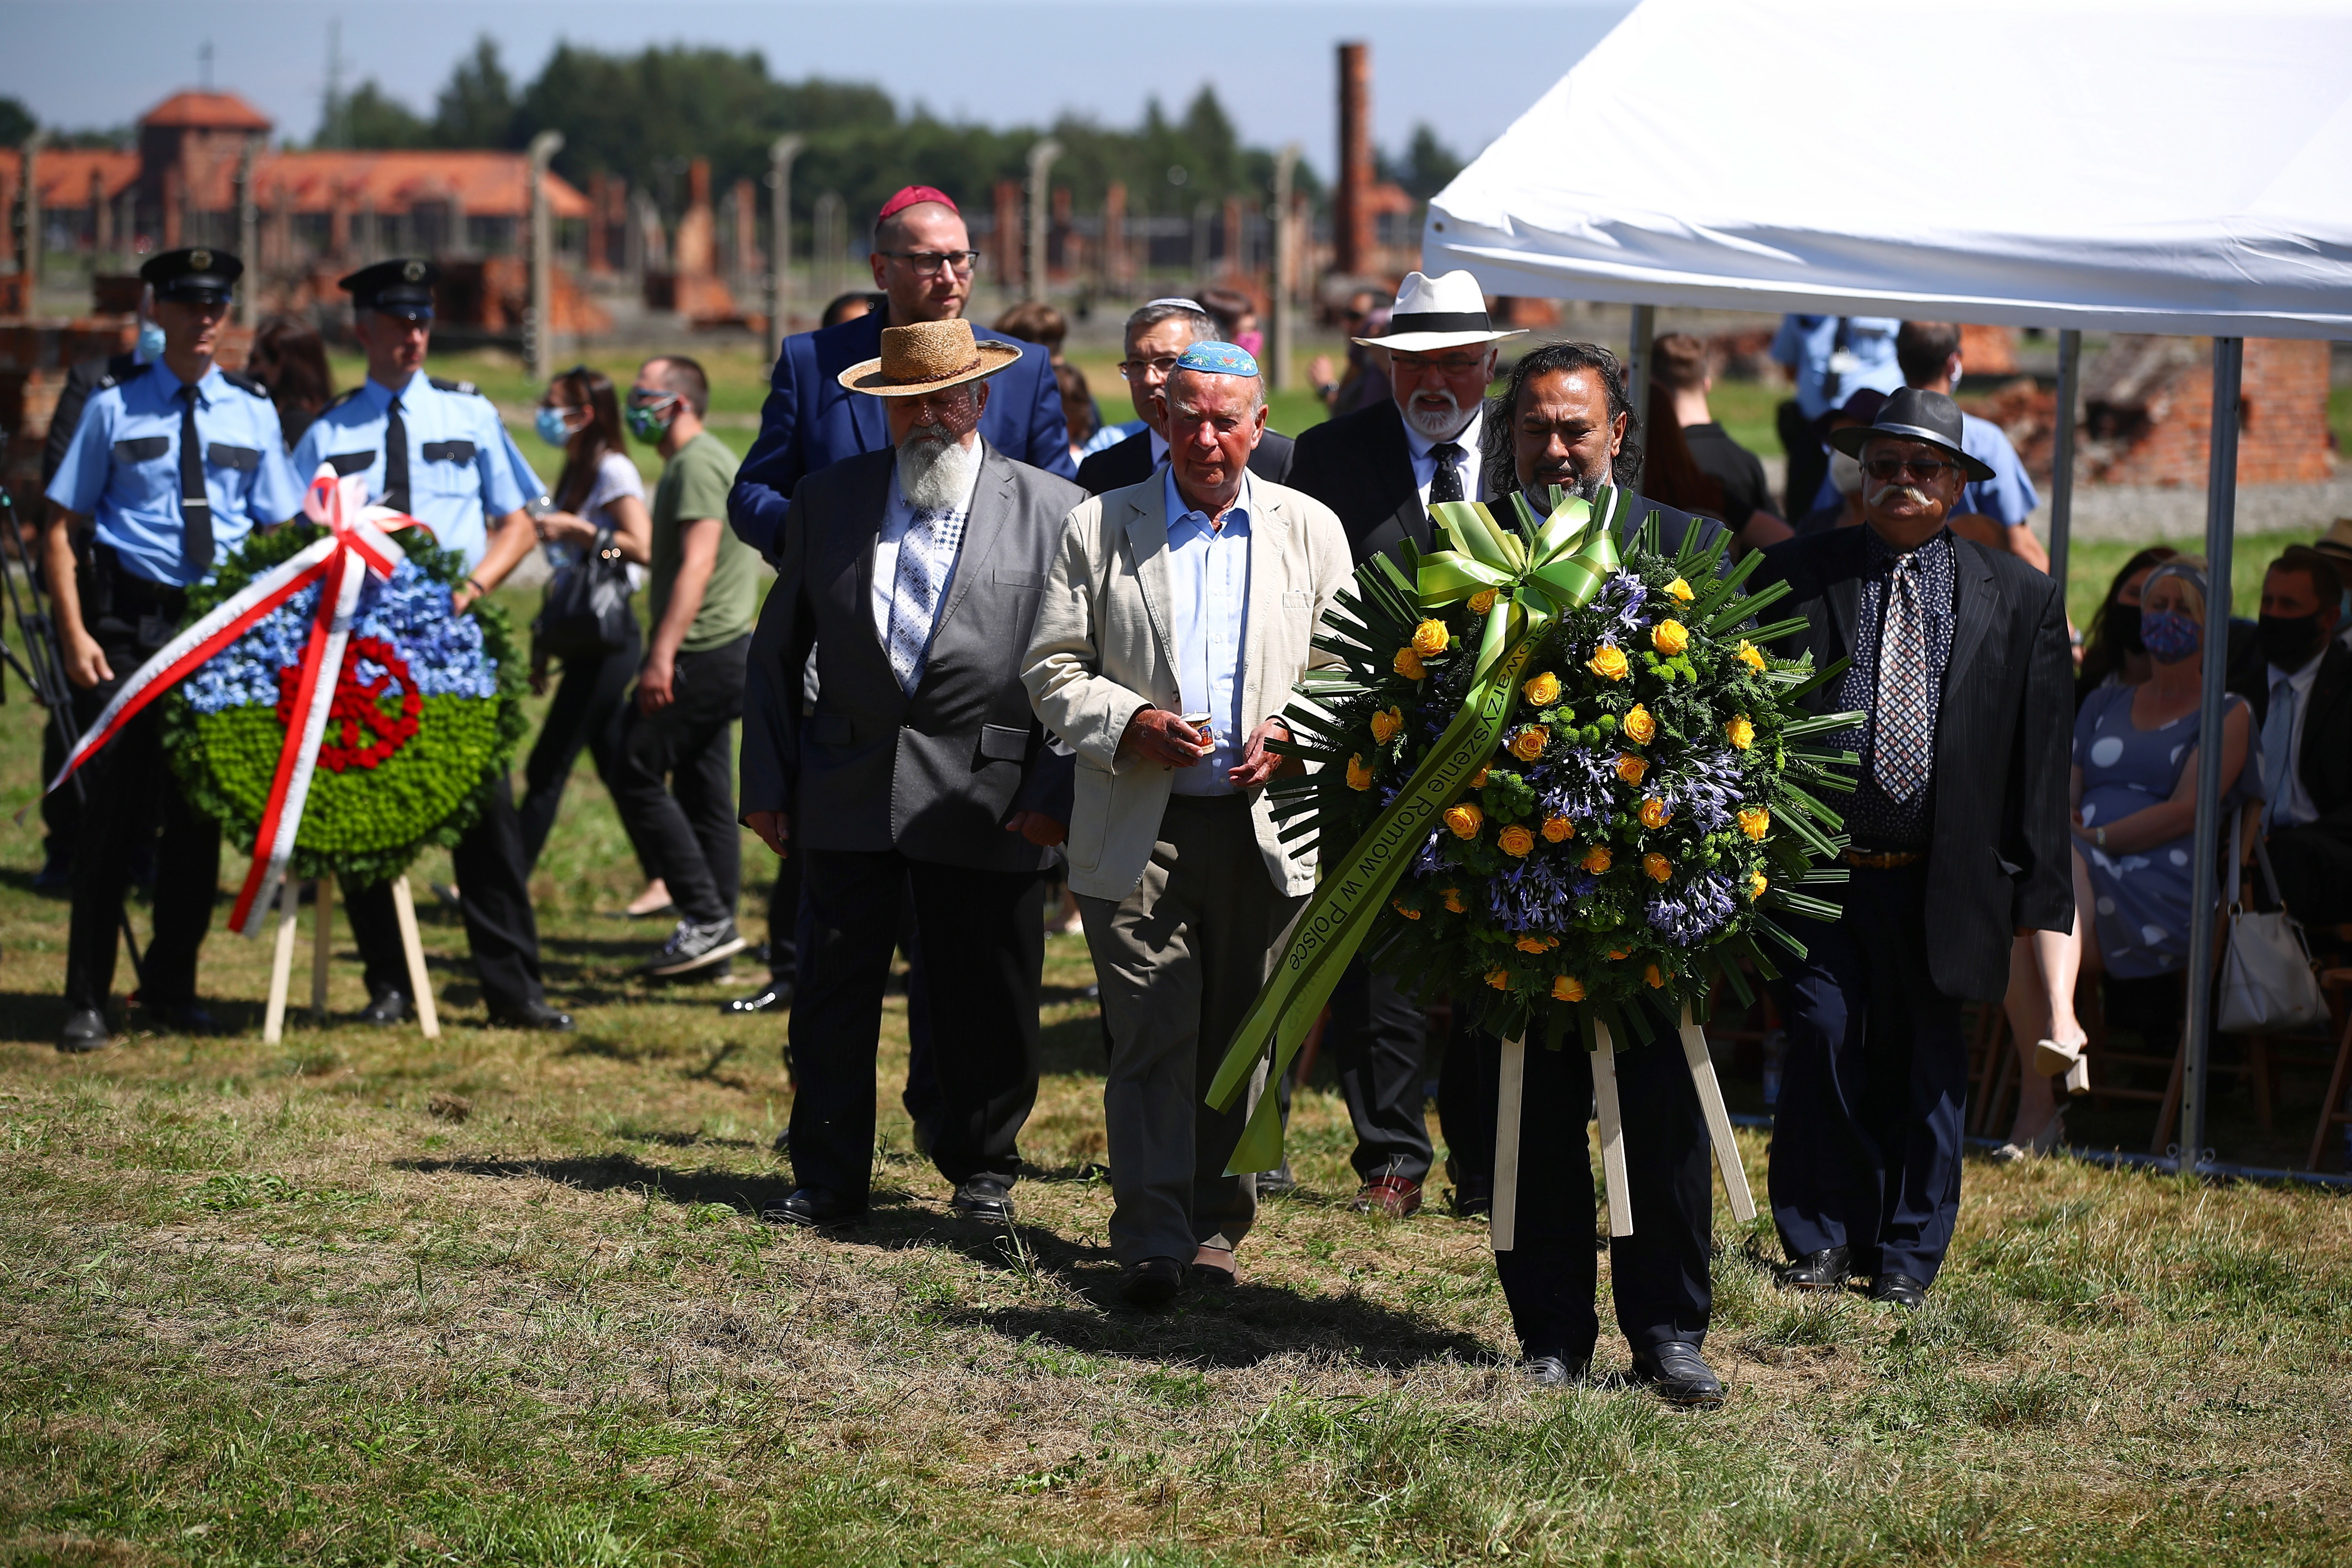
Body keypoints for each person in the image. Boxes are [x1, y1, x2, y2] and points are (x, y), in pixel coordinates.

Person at [1023, 340, 1351, 1308]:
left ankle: (1219, 1225)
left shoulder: (1310, 529)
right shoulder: (1100, 526)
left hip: (1266, 824)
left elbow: (1354, 669)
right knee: (1152, 1031)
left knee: (1242, 1036)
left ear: (1260, 427)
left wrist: (1297, 732)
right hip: (1140, 825)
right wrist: (1130, 722)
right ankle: (1154, 1236)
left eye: (1228, 420)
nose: (1207, 439)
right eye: (1188, 417)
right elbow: (1051, 670)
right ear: (1160, 420)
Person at [743, 317, 1080, 1228]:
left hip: (991, 795)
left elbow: (1084, 664)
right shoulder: (828, 498)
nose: (929, 417)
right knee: (832, 992)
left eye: (947, 398)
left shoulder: (1054, 509)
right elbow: (775, 654)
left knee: (987, 992)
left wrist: (1054, 793)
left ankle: (982, 1169)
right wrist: (768, 786)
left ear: (982, 399)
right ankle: (825, 1176)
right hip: (847, 785)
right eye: (907, 403)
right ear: (881, 410)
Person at [1457, 337, 1734, 1404]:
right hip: (1508, 900)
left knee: (1661, 1116)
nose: (1555, 449)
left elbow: (1739, 729)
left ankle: (1668, 1329)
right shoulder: (1465, 554)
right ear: (1508, 438)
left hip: (1648, 907)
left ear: (1618, 432)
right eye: (1533, 429)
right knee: (1524, 1120)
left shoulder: (1688, 547)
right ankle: (1548, 1336)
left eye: (1576, 428)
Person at [1761, 387, 2072, 1311]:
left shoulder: (2017, 595)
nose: (1900, 483)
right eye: (1884, 466)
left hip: (1951, 879)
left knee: (1929, 1065)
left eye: (1922, 468)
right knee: (1821, 1040)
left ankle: (1906, 1252)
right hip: (1820, 872)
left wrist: (2038, 893)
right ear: (1863, 478)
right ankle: (1819, 1237)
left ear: (1959, 485)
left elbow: (2040, 756)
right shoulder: (1796, 575)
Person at [1284, 269, 1527, 1218]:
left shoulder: (1527, 455)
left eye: (1459, 363)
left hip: (1508, 759)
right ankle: (1391, 1157)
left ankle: (1483, 1159)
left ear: (1489, 365)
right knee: (1376, 964)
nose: (1438, 382)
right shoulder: (1327, 459)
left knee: (1489, 957)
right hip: (1369, 753)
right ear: (1385, 364)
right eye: (1415, 364)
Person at [291, 258, 571, 1032]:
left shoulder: (469, 414)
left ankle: (514, 991)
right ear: (364, 329)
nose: (413, 335)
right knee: (370, 815)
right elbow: (292, 541)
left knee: (488, 818)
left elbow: (518, 521)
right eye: (396, 321)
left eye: (421, 321)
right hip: (364, 647)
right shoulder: (329, 430)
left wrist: (473, 587)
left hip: (453, 636)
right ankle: (387, 982)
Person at [42, 247, 303, 1050]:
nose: (205, 320)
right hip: (129, 627)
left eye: (218, 306)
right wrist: (76, 630)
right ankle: (86, 996)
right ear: (159, 312)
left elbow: (280, 531)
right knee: (113, 819)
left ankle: (170, 983)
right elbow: (60, 526)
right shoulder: (114, 407)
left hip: (219, 631)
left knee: (198, 820)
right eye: (189, 305)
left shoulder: (253, 411)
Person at [729, 185, 1075, 562]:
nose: (949, 277)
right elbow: (754, 491)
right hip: (844, 607)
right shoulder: (812, 362)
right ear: (881, 270)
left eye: (960, 259)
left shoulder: (1023, 368)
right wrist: (810, 539)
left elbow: (1058, 497)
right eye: (927, 261)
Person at [609, 356, 761, 980]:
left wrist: (661, 656)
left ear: (678, 403)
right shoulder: (694, 462)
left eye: (644, 395)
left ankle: (704, 917)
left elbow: (697, 565)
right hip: (719, 653)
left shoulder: (698, 465)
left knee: (632, 761)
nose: (634, 406)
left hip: (705, 651)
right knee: (702, 791)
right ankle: (714, 936)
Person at [2069, 559, 2256, 1057]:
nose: (2167, 617)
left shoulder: (2228, 712)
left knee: (2038, 890)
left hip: (2164, 880)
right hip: (2080, 871)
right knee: (2043, 872)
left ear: (2211, 625)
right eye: (2158, 605)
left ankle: (2058, 1040)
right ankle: (2054, 1049)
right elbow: (2066, 788)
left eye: (2184, 609)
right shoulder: (2102, 705)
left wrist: (2097, 839)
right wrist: (2067, 826)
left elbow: (2187, 810)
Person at [515, 365, 658, 906]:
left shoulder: (614, 470)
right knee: (619, 765)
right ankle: (666, 878)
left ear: (586, 414)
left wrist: (587, 533)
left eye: (557, 405)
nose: (546, 416)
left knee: (547, 765)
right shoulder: (578, 467)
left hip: (610, 636)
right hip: (583, 637)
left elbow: (639, 549)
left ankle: (501, 881)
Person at [1075, 299, 1294, 494]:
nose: (1150, 379)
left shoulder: (1279, 461)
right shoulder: (1102, 471)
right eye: (1136, 364)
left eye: (1168, 362)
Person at [2251, 545, 2351, 926]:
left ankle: (2273, 980)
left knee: (2288, 858)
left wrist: (2285, 843)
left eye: (2289, 606)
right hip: (2251, 845)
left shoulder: (2345, 687)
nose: (2273, 615)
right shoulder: (2240, 684)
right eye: (2267, 601)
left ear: (2328, 618)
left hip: (2325, 849)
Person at [1651, 332, 1792, 551]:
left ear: (1652, 388)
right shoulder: (1746, 461)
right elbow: (1784, 539)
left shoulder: (1655, 460)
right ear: (1707, 384)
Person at [1769, 314, 1903, 519]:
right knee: (1804, 515)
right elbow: (1790, 366)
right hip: (1815, 432)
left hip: (1875, 434)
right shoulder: (1803, 303)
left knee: (1875, 511)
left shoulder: (1891, 301)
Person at [1795, 389, 1890, 534]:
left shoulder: (1903, 529)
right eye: (1833, 445)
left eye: (1850, 444)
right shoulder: (1814, 527)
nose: (1839, 454)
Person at [245, 316, 334, 449]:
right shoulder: (328, 418)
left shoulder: (297, 427)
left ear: (282, 364)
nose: (249, 370)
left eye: (255, 360)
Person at [1308, 289, 1389, 416]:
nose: (1345, 324)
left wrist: (1327, 387)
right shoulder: (1364, 360)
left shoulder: (1388, 367)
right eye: (1344, 315)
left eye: (1354, 317)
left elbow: (1358, 420)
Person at [1198, 285, 1262, 359]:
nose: (1252, 320)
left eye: (1250, 313)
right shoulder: (1214, 350)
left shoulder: (1247, 340)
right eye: (1244, 315)